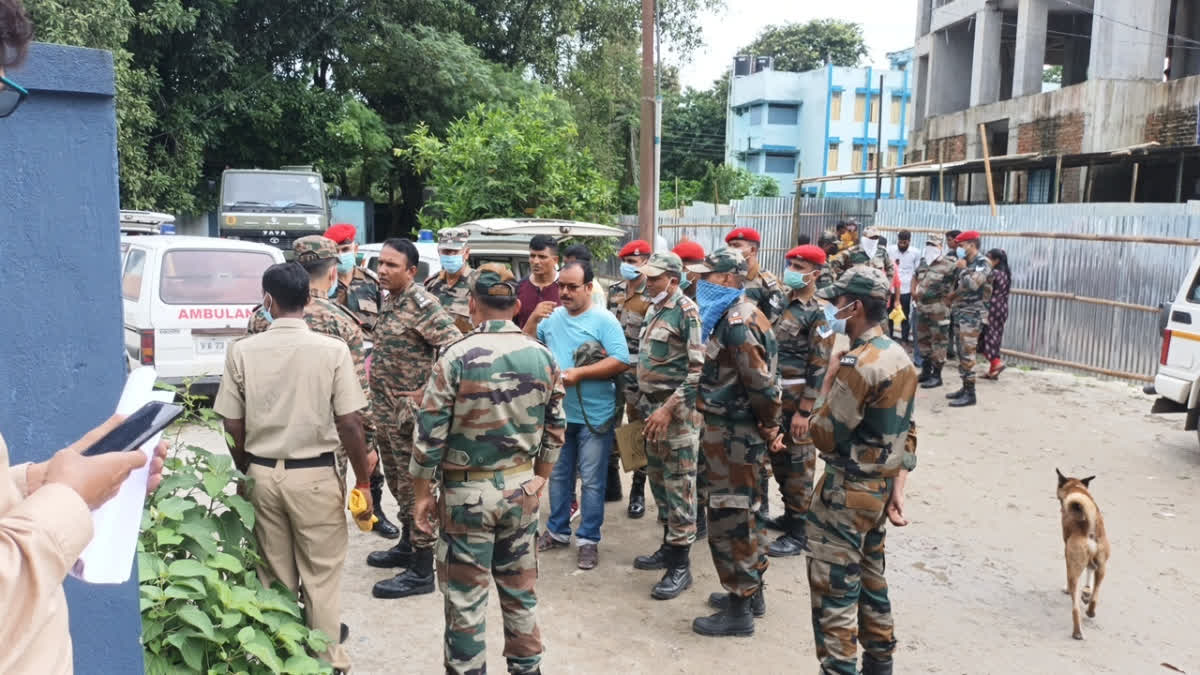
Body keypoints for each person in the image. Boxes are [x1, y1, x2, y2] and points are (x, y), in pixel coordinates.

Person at [214, 261, 376, 674]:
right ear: (308, 299)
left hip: (263, 474)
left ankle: (283, 660)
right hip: (317, 476)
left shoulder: (242, 350)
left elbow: (231, 422)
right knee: (321, 580)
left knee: (273, 574)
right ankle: (326, 663)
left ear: (266, 300)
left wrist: (247, 467)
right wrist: (363, 479)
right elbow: (350, 422)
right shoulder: (333, 350)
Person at [409, 263, 565, 675]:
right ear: (516, 306)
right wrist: (541, 479)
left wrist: (422, 494)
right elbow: (556, 428)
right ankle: (527, 668)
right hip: (521, 489)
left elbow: (429, 435)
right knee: (520, 592)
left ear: (473, 304)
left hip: (466, 496)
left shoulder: (456, 356)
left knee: (465, 598)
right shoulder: (544, 356)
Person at [243, 236, 399, 539]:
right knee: (319, 538)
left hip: (266, 443)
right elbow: (357, 401)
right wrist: (368, 448)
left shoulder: (260, 319)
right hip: (324, 448)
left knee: (273, 540)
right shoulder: (341, 323)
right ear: (332, 274)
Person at [806, 266, 918, 675]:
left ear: (853, 307)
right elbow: (909, 433)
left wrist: (829, 379)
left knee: (835, 594)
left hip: (845, 495)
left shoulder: (858, 363)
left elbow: (822, 433)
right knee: (872, 584)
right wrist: (898, 486)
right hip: (877, 491)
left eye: (838, 301)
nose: (833, 308)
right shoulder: (898, 355)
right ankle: (880, 665)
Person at [687, 247, 783, 638]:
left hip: (734, 435)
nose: (700, 283)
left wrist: (770, 425)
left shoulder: (739, 322)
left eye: (708, 276)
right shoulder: (733, 315)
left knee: (733, 517)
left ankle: (739, 608)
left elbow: (761, 385)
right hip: (732, 432)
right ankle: (750, 593)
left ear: (728, 279)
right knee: (750, 511)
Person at [366, 239, 462, 598]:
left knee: (415, 489)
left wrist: (428, 390)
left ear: (410, 271)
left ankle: (422, 570)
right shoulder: (391, 301)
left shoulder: (423, 304)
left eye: (392, 265)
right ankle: (408, 545)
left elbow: (455, 345)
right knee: (397, 483)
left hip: (410, 418)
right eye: (381, 263)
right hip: (387, 415)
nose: (383, 270)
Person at [529, 261, 631, 570]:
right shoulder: (551, 319)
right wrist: (533, 319)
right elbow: (530, 348)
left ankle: (588, 540)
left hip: (594, 417)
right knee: (558, 476)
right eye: (561, 286)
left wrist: (581, 374)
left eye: (573, 287)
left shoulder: (604, 321)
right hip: (559, 414)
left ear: (589, 287)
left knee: (591, 480)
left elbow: (621, 360)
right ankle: (558, 531)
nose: (565, 293)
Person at [630, 252, 703, 600]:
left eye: (655, 278)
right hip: (651, 410)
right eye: (647, 276)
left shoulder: (686, 310)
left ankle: (681, 566)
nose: (648, 282)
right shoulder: (653, 307)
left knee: (680, 488)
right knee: (658, 482)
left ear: (673, 280)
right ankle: (667, 547)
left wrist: (668, 409)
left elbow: (697, 371)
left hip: (675, 417)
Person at [766, 245, 830, 558]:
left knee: (799, 466)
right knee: (779, 462)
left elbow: (820, 365)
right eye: (790, 263)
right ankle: (790, 515)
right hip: (778, 400)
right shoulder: (781, 302)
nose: (792, 268)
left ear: (815, 274)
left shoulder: (820, 312)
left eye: (800, 265)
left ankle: (800, 531)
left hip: (799, 403)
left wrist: (805, 411)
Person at [606, 239, 653, 516]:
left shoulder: (651, 295)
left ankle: (638, 489)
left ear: (646, 263)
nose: (627, 267)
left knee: (635, 429)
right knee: (608, 424)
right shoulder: (614, 291)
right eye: (625, 262)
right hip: (611, 370)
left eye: (633, 262)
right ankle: (611, 483)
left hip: (637, 373)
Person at [946, 230, 993, 408]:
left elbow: (973, 284)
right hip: (961, 311)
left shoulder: (983, 263)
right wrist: (953, 296)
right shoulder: (969, 262)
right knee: (961, 351)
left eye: (961, 245)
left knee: (968, 353)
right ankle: (965, 387)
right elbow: (963, 287)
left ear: (971, 245)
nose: (958, 248)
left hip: (973, 314)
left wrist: (963, 269)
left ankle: (970, 394)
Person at [914, 237, 956, 390]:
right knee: (923, 341)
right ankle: (926, 371)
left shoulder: (950, 265)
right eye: (928, 244)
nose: (930, 247)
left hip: (938, 310)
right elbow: (915, 276)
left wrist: (951, 298)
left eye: (933, 244)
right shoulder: (924, 263)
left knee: (938, 342)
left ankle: (937, 376)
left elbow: (962, 283)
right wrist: (914, 292)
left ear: (940, 246)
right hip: (922, 309)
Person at [325, 223, 382, 334]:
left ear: (355, 250)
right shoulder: (324, 283)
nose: (341, 255)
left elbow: (383, 320)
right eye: (336, 251)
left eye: (345, 249)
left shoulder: (372, 281)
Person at [725, 227, 784, 324]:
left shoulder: (767, 283)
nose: (731, 250)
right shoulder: (725, 277)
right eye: (729, 246)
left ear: (752, 250)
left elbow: (772, 323)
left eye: (736, 246)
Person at [423, 227, 474, 334]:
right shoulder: (432, 284)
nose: (450, 255)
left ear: (466, 253)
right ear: (439, 252)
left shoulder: (478, 283)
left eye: (455, 251)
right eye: (446, 251)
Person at [515, 235, 560, 331]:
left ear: (555, 260)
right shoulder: (519, 287)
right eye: (532, 256)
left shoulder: (566, 288)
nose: (535, 261)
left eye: (542, 257)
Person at [828, 226, 896, 289]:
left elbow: (890, 267)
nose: (873, 240)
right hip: (855, 289)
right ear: (865, 238)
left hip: (874, 290)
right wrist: (844, 276)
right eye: (871, 238)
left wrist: (888, 283)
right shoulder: (853, 251)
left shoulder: (881, 251)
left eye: (876, 238)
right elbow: (834, 263)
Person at [980, 248, 1011, 380]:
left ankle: (996, 363)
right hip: (1002, 308)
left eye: (989, 258)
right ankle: (993, 370)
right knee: (995, 336)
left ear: (996, 260)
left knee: (987, 335)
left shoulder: (993, 273)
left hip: (992, 308)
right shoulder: (1006, 274)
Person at [887, 231, 922, 343]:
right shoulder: (890, 250)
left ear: (909, 241)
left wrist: (914, 289)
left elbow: (917, 272)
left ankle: (904, 339)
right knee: (889, 314)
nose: (902, 244)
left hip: (905, 290)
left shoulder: (915, 253)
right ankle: (889, 337)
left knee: (905, 315)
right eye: (900, 242)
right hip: (891, 288)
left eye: (904, 242)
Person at [563, 243, 607, 307]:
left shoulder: (595, 290)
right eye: (565, 264)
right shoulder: (563, 285)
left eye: (571, 264)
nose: (566, 267)